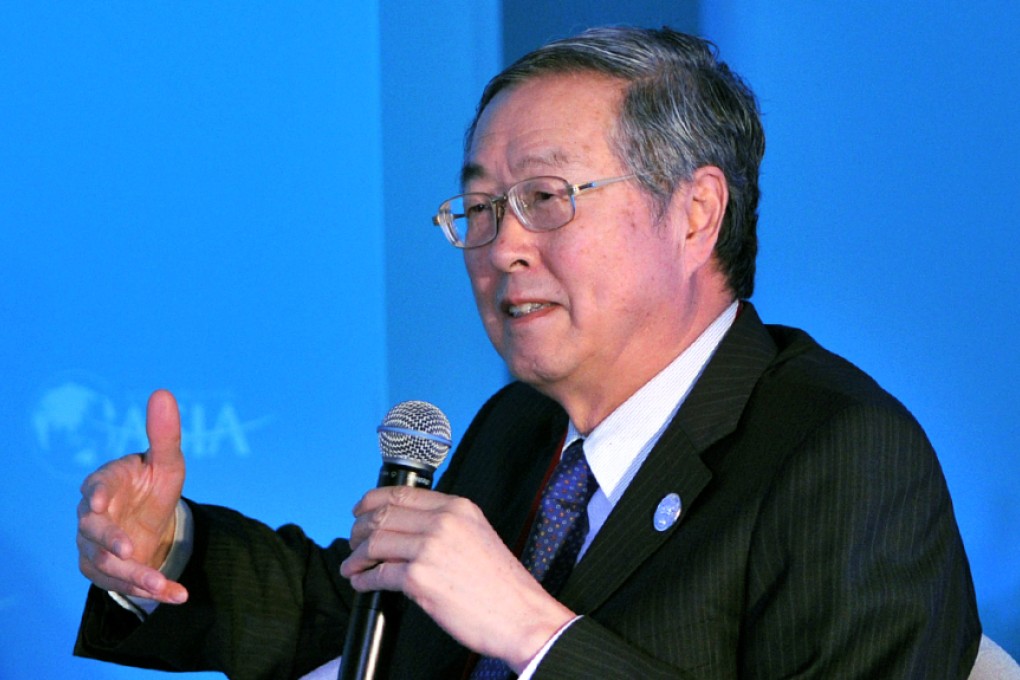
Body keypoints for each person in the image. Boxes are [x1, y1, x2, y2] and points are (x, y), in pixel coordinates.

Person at [74, 26, 981, 679]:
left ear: (695, 213)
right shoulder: (519, 427)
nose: (502, 246)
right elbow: (362, 615)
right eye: (479, 208)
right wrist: (169, 550)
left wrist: (536, 635)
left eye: (546, 198)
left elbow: (503, 616)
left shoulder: (839, 454)